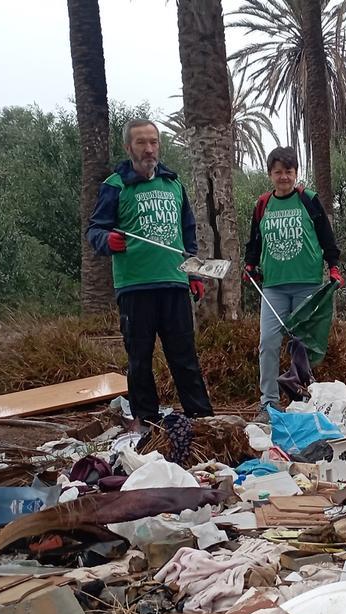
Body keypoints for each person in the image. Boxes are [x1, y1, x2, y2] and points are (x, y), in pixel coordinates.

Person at [86, 118, 214, 424]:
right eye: (141, 143)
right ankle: (146, 420)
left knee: (184, 356)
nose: (148, 149)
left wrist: (193, 273)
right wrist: (107, 240)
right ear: (128, 147)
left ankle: (201, 417)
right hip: (135, 287)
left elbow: (188, 235)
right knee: (140, 359)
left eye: (153, 142)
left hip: (173, 283)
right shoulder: (114, 186)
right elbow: (95, 230)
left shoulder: (174, 184)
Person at [243, 146, 343, 420]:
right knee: (269, 343)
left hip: (307, 285)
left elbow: (326, 238)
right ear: (270, 175)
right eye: (278, 172)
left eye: (288, 171)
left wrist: (333, 267)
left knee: (303, 345)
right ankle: (269, 402)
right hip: (274, 286)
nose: (283, 177)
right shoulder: (263, 204)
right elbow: (254, 241)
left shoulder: (308, 200)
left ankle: (304, 398)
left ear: (296, 173)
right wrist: (249, 263)